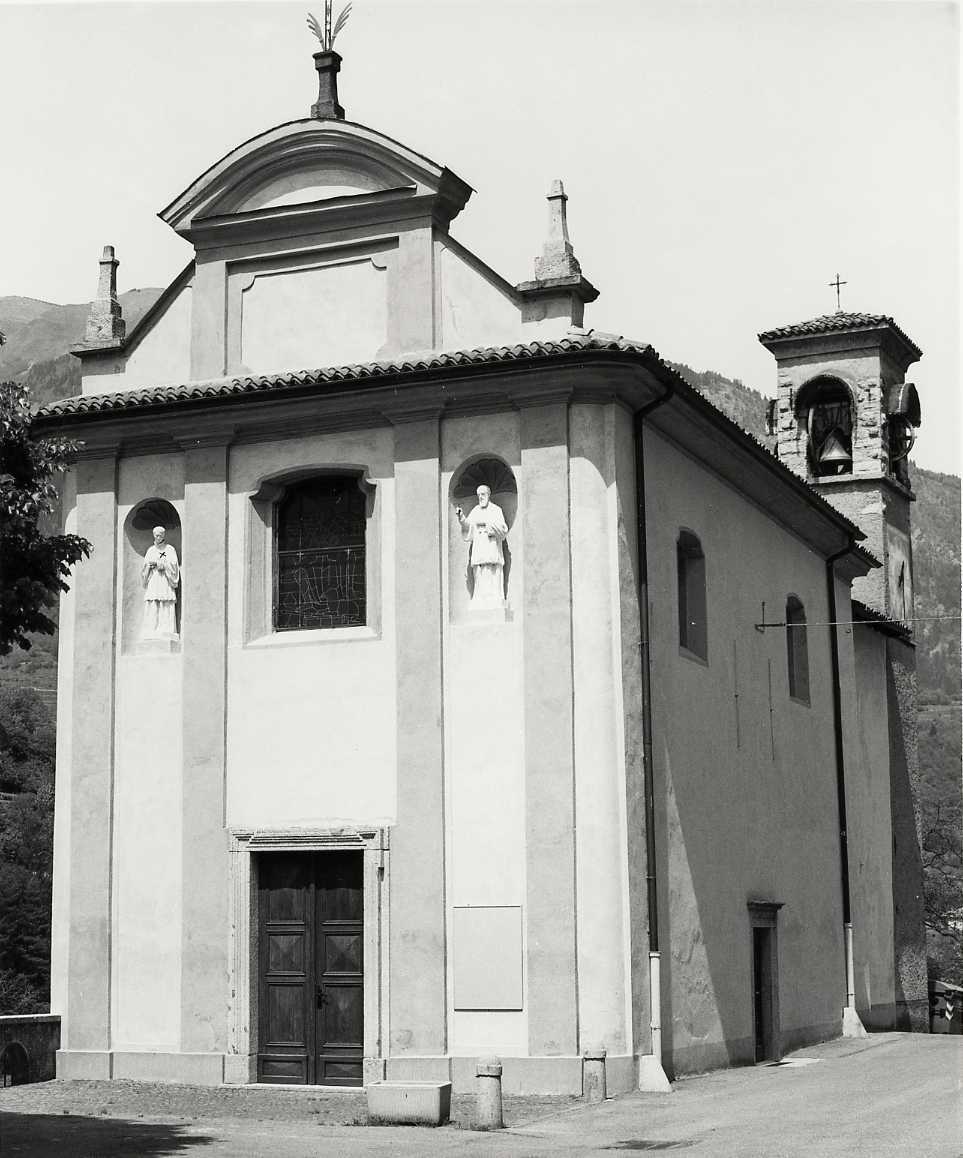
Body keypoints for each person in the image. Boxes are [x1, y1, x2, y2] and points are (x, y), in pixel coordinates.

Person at [456, 485, 508, 608]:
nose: (480, 497)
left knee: (492, 570)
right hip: (479, 546)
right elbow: (468, 527)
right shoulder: (475, 511)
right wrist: (461, 517)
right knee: (479, 571)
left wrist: (488, 526)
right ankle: (479, 597)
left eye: (483, 494)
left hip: (491, 545)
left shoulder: (496, 510)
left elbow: (503, 529)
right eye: (478, 495)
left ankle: (495, 597)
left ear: (488, 495)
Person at [141, 526, 180, 639]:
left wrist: (161, 564)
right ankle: (151, 629)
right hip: (154, 580)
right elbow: (144, 569)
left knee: (165, 603)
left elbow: (174, 566)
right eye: (156, 535)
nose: (158, 537)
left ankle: (166, 629)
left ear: (163, 535)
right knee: (153, 602)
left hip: (165, 581)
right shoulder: (151, 550)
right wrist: (149, 566)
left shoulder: (169, 549)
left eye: (160, 535)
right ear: (153, 535)